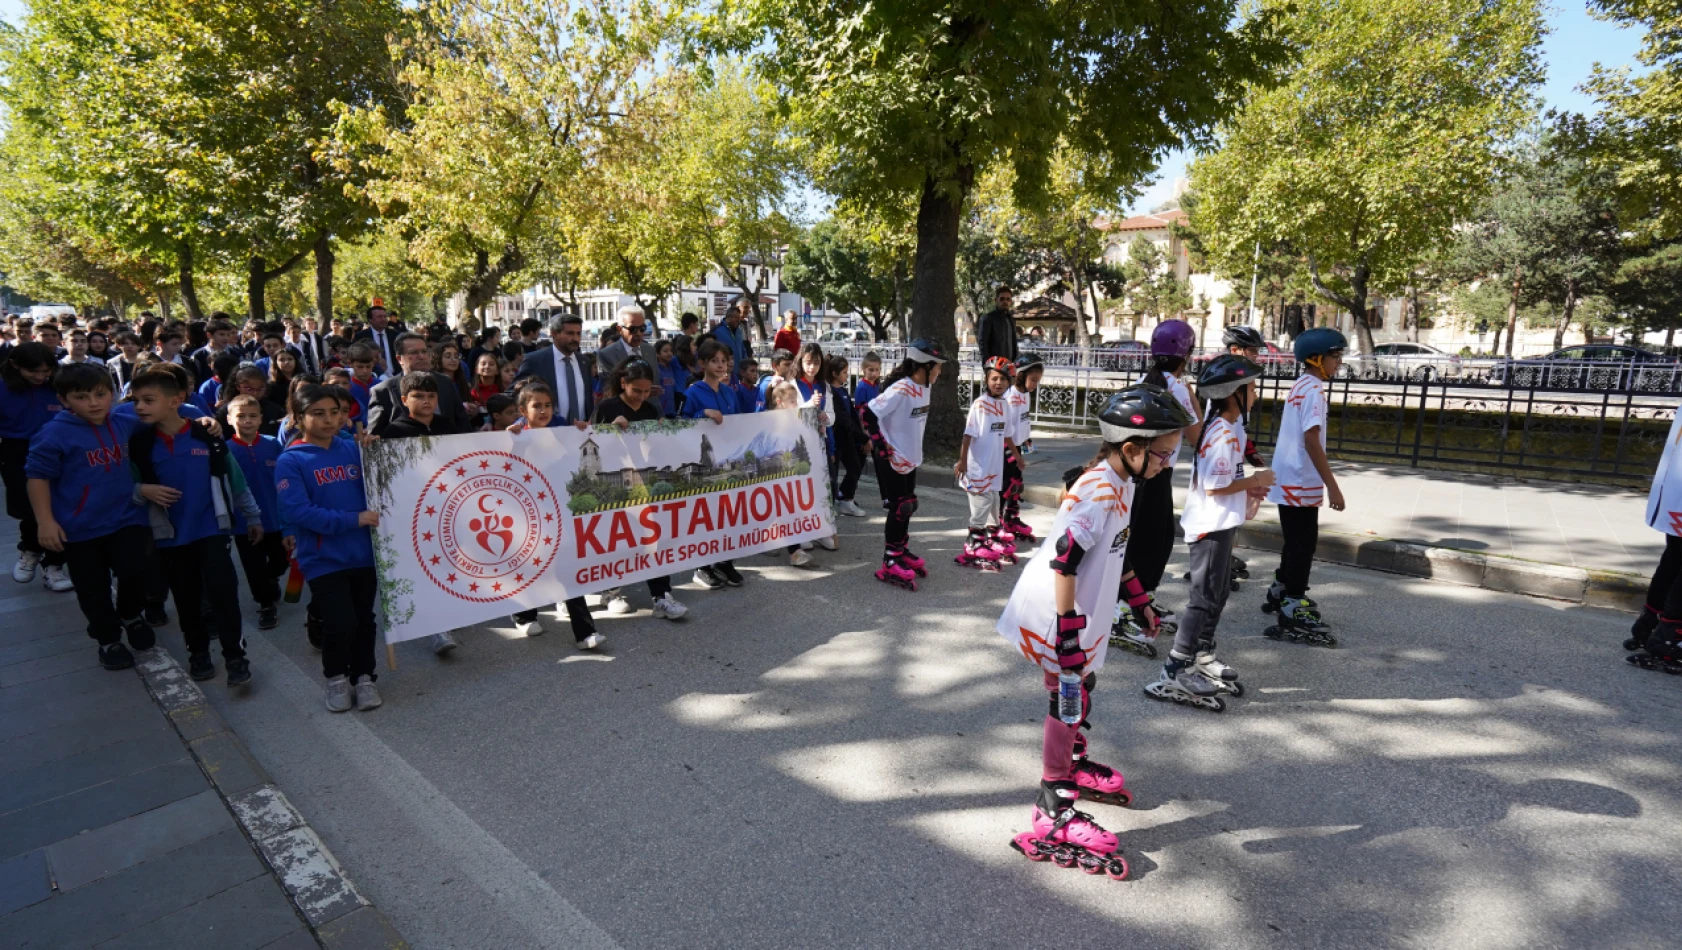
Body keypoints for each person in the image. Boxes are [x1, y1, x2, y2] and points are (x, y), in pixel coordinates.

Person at [995, 385, 1193, 879]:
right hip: (1060, 613)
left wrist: (1140, 598)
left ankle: (1072, 764)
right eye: (1164, 454)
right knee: (1066, 700)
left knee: (1082, 690)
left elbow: (1114, 552)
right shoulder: (1099, 489)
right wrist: (1067, 632)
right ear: (1132, 448)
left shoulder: (1124, 482)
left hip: (1085, 612)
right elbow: (1065, 560)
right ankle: (1051, 808)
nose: (1168, 464)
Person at [1143, 355, 1272, 711]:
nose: (1256, 394)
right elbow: (1216, 485)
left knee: (1217, 593)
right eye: (1252, 388)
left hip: (1222, 522)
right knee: (1203, 598)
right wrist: (1256, 480)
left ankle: (1201, 653)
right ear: (1235, 393)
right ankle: (1176, 666)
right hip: (1209, 526)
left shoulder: (1229, 428)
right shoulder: (1221, 433)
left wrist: (1250, 488)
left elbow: (1226, 478)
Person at [127, 368, 263, 686]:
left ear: (176, 400)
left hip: (212, 529)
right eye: (136, 402)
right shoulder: (140, 444)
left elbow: (235, 478)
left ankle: (235, 656)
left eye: (148, 400)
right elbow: (127, 487)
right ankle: (198, 653)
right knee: (186, 598)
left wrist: (252, 516)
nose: (140, 408)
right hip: (171, 536)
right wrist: (143, 491)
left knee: (223, 593)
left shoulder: (207, 435)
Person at [24, 363, 155, 669]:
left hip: (127, 518)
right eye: (82, 397)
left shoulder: (123, 419)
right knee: (92, 589)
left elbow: (165, 412)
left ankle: (130, 614)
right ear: (64, 400)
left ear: (113, 393)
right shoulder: (53, 433)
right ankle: (108, 639)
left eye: (100, 394)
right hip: (80, 529)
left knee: (136, 571)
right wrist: (46, 521)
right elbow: (37, 478)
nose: (94, 403)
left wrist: (204, 420)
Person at [276, 383, 383, 711]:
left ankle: (364, 677)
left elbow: (381, 488)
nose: (328, 420)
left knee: (364, 619)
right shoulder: (291, 461)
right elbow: (299, 512)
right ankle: (336, 677)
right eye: (318, 414)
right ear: (298, 417)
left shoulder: (354, 448)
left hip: (364, 554)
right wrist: (354, 519)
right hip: (322, 558)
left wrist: (376, 457)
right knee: (340, 622)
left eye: (335, 412)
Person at [505, 382, 606, 649]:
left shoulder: (561, 428)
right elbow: (509, 467)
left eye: (547, 404)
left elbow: (579, 449)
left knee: (567, 570)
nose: (543, 410)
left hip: (558, 511)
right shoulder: (517, 432)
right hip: (529, 514)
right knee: (530, 565)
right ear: (522, 410)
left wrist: (581, 429)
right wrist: (513, 436)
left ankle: (585, 633)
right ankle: (524, 615)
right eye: (536, 405)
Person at [1262, 327, 1347, 647]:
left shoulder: (1301, 385)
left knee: (1295, 541)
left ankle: (1281, 588)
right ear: (1316, 358)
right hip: (1300, 479)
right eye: (1334, 356)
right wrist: (1333, 487)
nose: (1338, 362)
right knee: (1304, 544)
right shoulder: (1312, 390)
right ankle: (1293, 604)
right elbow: (1311, 440)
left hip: (1290, 477)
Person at [1117, 319, 1200, 636]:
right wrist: (1193, 398)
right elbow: (1197, 437)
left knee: (1154, 537)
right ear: (1186, 353)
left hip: (1139, 471)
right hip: (1155, 472)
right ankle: (1124, 605)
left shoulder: (1144, 379)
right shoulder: (1177, 388)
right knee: (1151, 541)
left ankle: (1141, 599)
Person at [590, 359, 688, 620]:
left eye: (646, 392)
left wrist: (662, 432)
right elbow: (590, 446)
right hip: (615, 484)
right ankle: (611, 591)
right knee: (618, 538)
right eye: (636, 391)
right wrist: (609, 430)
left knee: (652, 537)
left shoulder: (651, 407)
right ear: (623, 383)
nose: (641, 397)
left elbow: (660, 445)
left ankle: (661, 596)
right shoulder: (607, 407)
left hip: (645, 482)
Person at [861, 339, 947, 591]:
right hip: (892, 457)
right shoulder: (902, 389)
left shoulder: (925, 387)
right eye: (938, 367)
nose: (940, 372)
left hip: (909, 456)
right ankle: (890, 560)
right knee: (900, 507)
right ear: (925, 366)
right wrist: (880, 444)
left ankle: (900, 549)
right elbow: (867, 413)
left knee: (908, 506)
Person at [0, 343, 73, 591]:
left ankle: (54, 566)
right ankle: (30, 551)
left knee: (60, 505)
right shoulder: (3, 387)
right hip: (16, 451)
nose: (41, 377)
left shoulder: (58, 385)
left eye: (46, 371)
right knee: (31, 508)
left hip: (58, 448)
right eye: (34, 372)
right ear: (15, 365)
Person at [680, 339, 746, 590]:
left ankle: (725, 560)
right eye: (715, 360)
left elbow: (740, 421)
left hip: (727, 459)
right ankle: (702, 566)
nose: (721, 365)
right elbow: (681, 424)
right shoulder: (693, 392)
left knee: (728, 514)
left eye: (724, 360)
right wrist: (702, 414)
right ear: (702, 363)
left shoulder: (730, 392)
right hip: (704, 462)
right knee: (706, 515)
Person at [226, 394, 288, 632]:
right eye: (241, 416)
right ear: (230, 419)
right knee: (253, 566)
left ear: (261, 419)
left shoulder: (273, 444)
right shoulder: (226, 450)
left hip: (276, 517)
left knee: (282, 560)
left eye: (253, 416)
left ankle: (271, 579)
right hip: (244, 522)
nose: (247, 421)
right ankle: (265, 605)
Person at [954, 357, 1017, 572]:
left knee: (994, 502)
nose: (998, 383)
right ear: (987, 380)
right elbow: (967, 435)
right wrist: (962, 461)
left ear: (1009, 382)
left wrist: (1017, 456)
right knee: (983, 502)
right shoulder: (980, 404)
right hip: (977, 466)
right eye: (994, 378)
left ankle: (990, 536)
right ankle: (974, 543)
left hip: (994, 466)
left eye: (1002, 379)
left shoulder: (1005, 405)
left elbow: (1008, 435)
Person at [366, 332, 470, 435]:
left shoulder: (445, 382)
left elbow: (463, 424)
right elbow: (375, 438)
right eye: (414, 352)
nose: (421, 356)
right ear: (399, 359)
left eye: (424, 351)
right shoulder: (382, 391)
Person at [792, 343, 839, 557]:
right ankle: (801, 532)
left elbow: (831, 416)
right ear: (801, 362)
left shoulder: (825, 386)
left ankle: (821, 528)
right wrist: (809, 405)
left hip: (820, 443)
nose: (812, 368)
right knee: (801, 488)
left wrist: (824, 417)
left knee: (821, 486)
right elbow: (788, 414)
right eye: (808, 363)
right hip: (799, 445)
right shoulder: (792, 384)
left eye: (816, 363)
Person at [516, 315, 595, 426]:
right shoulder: (535, 360)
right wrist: (520, 422)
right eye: (570, 333)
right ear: (554, 333)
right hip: (547, 433)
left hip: (581, 432)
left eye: (578, 333)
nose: (576, 338)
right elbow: (515, 393)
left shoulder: (584, 362)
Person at [1001, 353, 1044, 541]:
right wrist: (1016, 454)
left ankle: (1012, 518)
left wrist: (1026, 447)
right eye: (1033, 379)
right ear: (1021, 375)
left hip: (1018, 445)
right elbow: (1005, 428)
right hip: (1006, 445)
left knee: (1017, 484)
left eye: (1038, 381)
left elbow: (1023, 422)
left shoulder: (1025, 394)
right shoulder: (1010, 396)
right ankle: (998, 522)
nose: (1035, 384)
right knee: (1008, 485)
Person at [825, 356, 866, 517]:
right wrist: (862, 437)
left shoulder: (843, 391)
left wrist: (861, 436)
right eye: (844, 372)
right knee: (832, 476)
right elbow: (842, 419)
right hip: (836, 439)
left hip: (848, 439)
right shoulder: (831, 392)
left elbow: (853, 417)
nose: (847, 375)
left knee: (855, 468)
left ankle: (846, 499)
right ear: (835, 373)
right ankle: (828, 506)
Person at [353, 304, 402, 375]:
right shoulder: (361, 336)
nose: (383, 319)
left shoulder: (396, 335)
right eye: (379, 317)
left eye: (385, 316)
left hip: (395, 375)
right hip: (372, 376)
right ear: (370, 319)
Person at [977, 285, 1020, 365]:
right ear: (996, 300)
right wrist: (989, 364)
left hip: (1010, 365)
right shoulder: (988, 318)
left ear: (1011, 301)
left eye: (1008, 299)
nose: (1005, 302)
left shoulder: (1011, 320)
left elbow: (1014, 342)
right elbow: (983, 343)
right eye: (1002, 299)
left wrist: (1015, 360)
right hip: (994, 365)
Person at [654, 339, 681, 417]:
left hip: (672, 411)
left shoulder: (671, 369)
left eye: (671, 351)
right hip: (659, 413)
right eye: (665, 351)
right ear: (657, 354)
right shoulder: (655, 370)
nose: (669, 353)